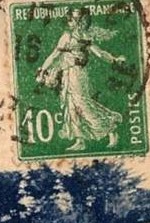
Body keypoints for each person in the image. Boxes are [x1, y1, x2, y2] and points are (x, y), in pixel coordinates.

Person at [36, 7, 125, 152]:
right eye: (71, 19)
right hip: (68, 73)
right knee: (70, 106)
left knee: (82, 104)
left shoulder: (84, 37)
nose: (71, 22)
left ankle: (110, 128)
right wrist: (43, 70)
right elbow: (54, 55)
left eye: (75, 20)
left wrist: (114, 59)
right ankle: (80, 140)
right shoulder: (67, 36)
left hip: (78, 74)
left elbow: (99, 53)